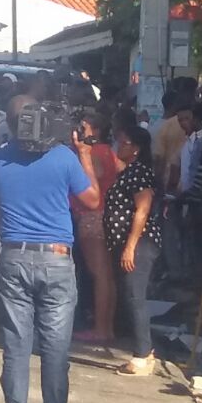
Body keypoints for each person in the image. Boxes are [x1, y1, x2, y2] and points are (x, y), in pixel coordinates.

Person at [0, 106, 102, 403]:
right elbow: (92, 199)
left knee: (16, 349)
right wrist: (85, 154)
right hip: (57, 259)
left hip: (13, 257)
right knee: (55, 351)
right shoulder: (65, 158)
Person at [105, 125, 161, 376]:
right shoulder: (127, 172)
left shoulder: (140, 173)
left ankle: (142, 354)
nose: (120, 146)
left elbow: (143, 209)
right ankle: (142, 351)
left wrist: (131, 245)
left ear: (136, 148)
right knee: (129, 294)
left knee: (135, 295)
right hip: (124, 241)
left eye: (124, 143)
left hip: (139, 242)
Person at [71, 112, 118, 345]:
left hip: (91, 215)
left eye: (85, 128)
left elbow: (94, 178)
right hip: (105, 215)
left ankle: (100, 328)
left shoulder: (95, 152)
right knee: (106, 275)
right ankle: (106, 327)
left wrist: (82, 155)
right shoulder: (109, 150)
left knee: (99, 275)